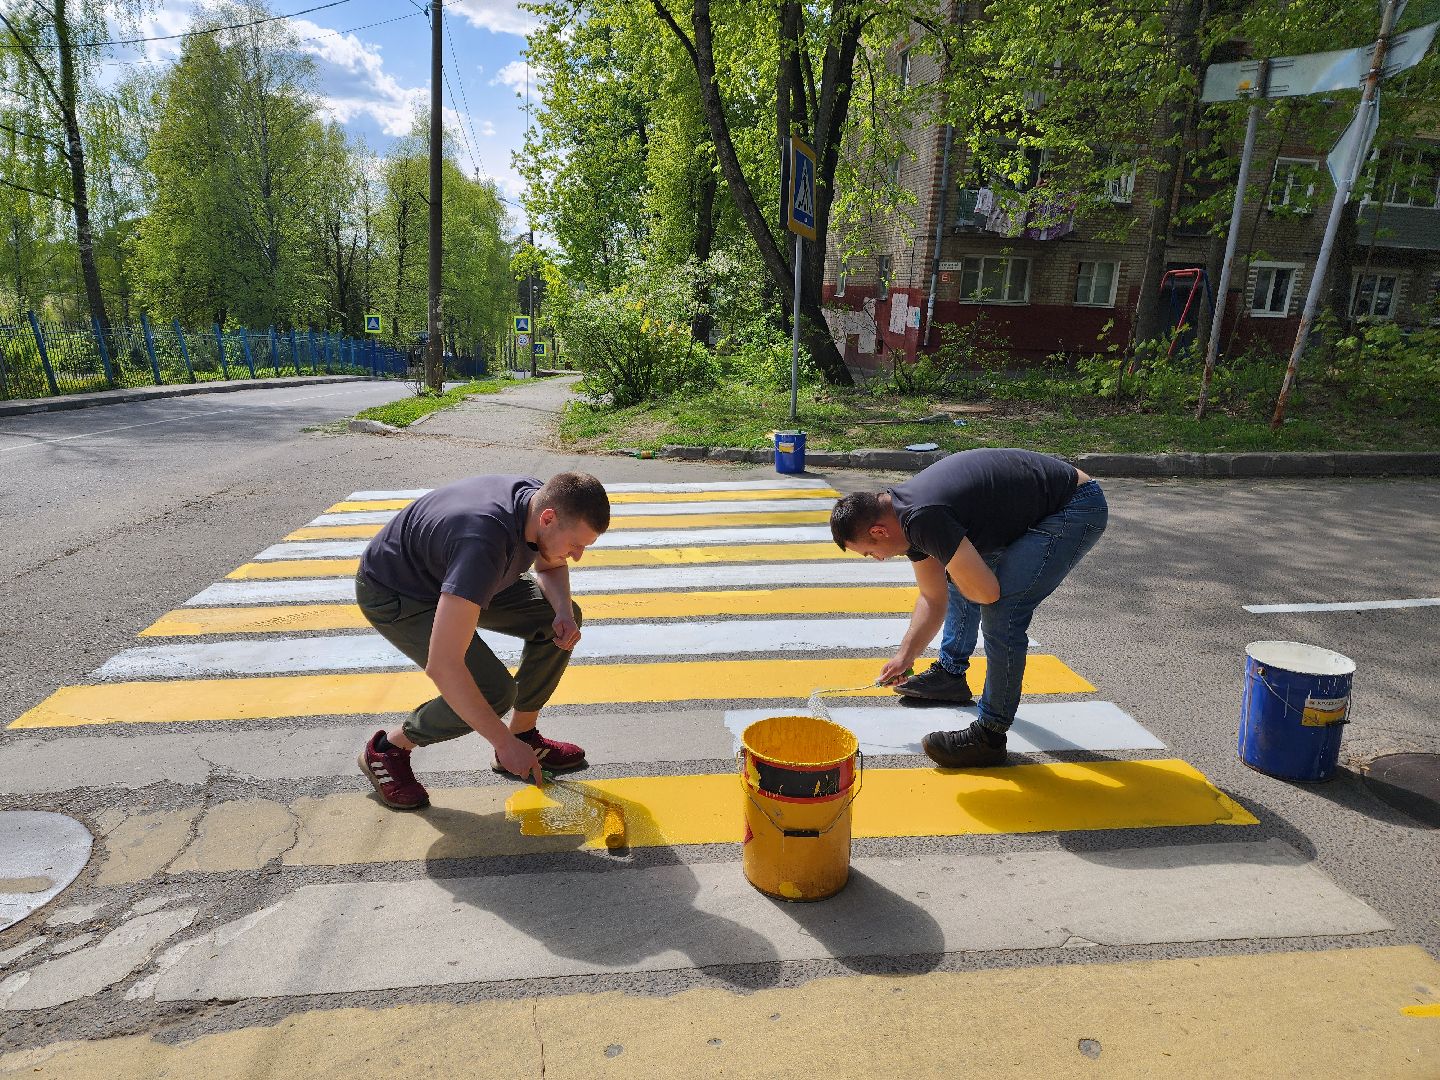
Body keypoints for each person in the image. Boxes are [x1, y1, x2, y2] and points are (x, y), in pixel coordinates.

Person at [829, 448, 1107, 768]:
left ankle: (989, 736)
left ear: (878, 532)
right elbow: (932, 599)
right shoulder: (904, 516)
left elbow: (987, 593)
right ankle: (950, 675)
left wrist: (961, 573)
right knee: (958, 572)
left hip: (1074, 505)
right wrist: (904, 656)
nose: (876, 560)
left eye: (868, 553)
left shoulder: (922, 517)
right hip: (1043, 501)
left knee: (1003, 613)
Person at [354, 472, 611, 809]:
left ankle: (524, 736)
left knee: (560, 621)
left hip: (454, 573)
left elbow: (550, 565)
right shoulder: (483, 542)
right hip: (400, 591)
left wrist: (561, 610)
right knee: (493, 692)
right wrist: (501, 742)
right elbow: (444, 666)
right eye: (576, 544)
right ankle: (388, 749)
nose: (577, 556)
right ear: (548, 518)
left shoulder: (539, 505)